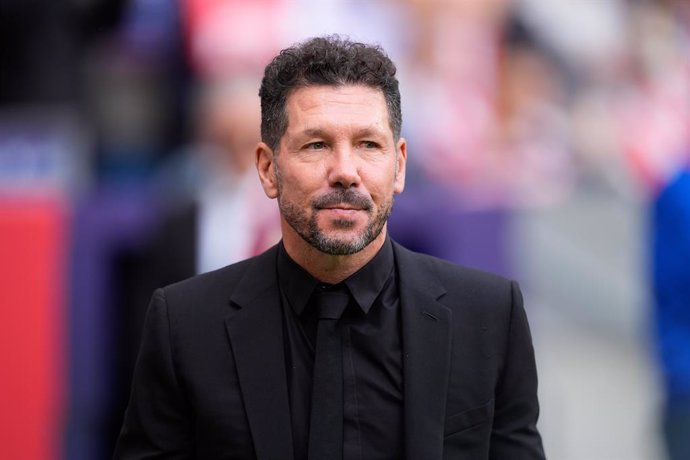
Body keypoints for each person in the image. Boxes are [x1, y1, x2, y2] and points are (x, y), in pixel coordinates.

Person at [114, 35, 545, 459]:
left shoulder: (489, 317)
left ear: (399, 166)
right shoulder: (185, 326)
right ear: (267, 169)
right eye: (317, 145)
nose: (344, 171)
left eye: (368, 145)